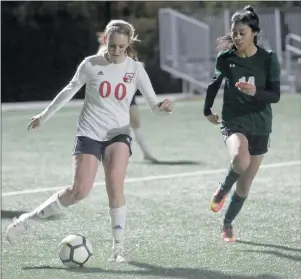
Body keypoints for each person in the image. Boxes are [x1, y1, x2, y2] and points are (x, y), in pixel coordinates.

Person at [6, 19, 173, 262]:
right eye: (113, 45)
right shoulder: (90, 64)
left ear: (128, 46)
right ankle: (27, 220)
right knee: (79, 191)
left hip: (118, 134)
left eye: (122, 47)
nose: (116, 52)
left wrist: (163, 108)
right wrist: (44, 116)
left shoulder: (136, 70)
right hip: (89, 132)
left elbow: (154, 106)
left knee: (115, 185)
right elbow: (68, 91)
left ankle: (118, 249)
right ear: (106, 40)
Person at [203, 5, 280, 242]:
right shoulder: (226, 59)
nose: (236, 37)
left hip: (260, 125)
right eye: (234, 32)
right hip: (234, 121)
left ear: (254, 32)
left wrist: (255, 91)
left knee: (245, 186)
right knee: (240, 158)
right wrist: (207, 110)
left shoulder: (268, 59)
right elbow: (214, 84)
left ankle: (227, 223)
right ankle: (221, 190)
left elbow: (275, 96)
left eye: (242, 32)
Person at [97, 32, 158, 162]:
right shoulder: (104, 51)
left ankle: (146, 153)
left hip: (126, 93)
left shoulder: (126, 51)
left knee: (135, 122)